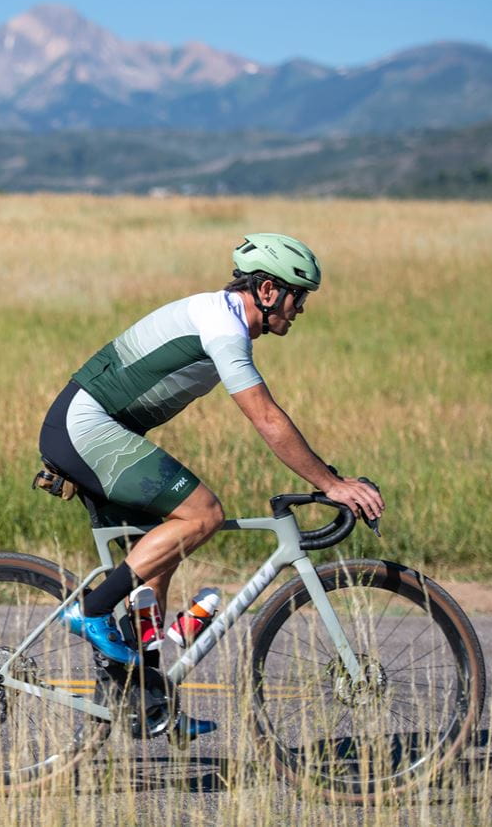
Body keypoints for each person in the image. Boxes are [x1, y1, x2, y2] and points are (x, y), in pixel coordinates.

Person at [38, 233, 386, 667]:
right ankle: (90, 612)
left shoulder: (220, 317)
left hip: (92, 429)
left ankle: (143, 690)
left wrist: (326, 475)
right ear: (267, 290)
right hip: (84, 429)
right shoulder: (224, 327)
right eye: (298, 297)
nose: (300, 309)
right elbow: (266, 417)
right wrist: (331, 484)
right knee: (204, 514)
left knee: (155, 567)